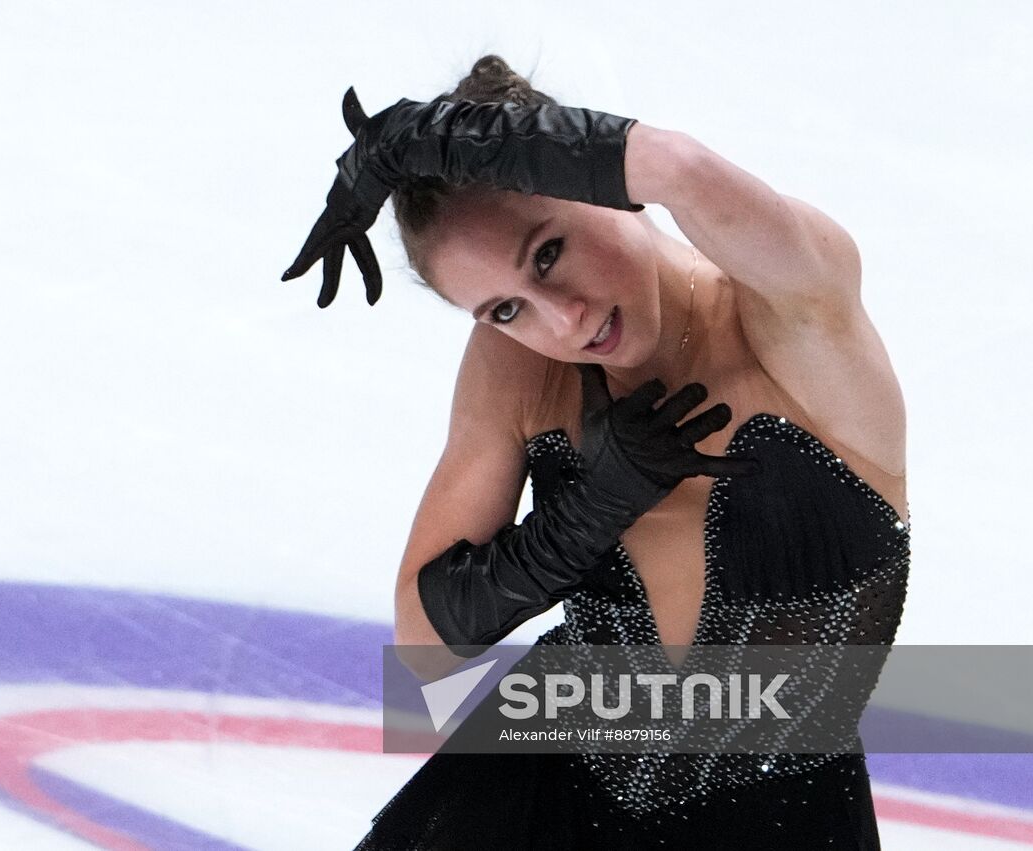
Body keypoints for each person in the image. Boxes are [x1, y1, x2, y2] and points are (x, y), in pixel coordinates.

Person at [281, 55, 910, 850]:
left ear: (595, 184)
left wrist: (430, 133)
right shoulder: (522, 364)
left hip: (785, 814)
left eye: (549, 252)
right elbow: (424, 644)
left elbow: (677, 166)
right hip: (547, 793)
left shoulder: (788, 307)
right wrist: (590, 510)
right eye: (507, 306)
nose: (563, 318)